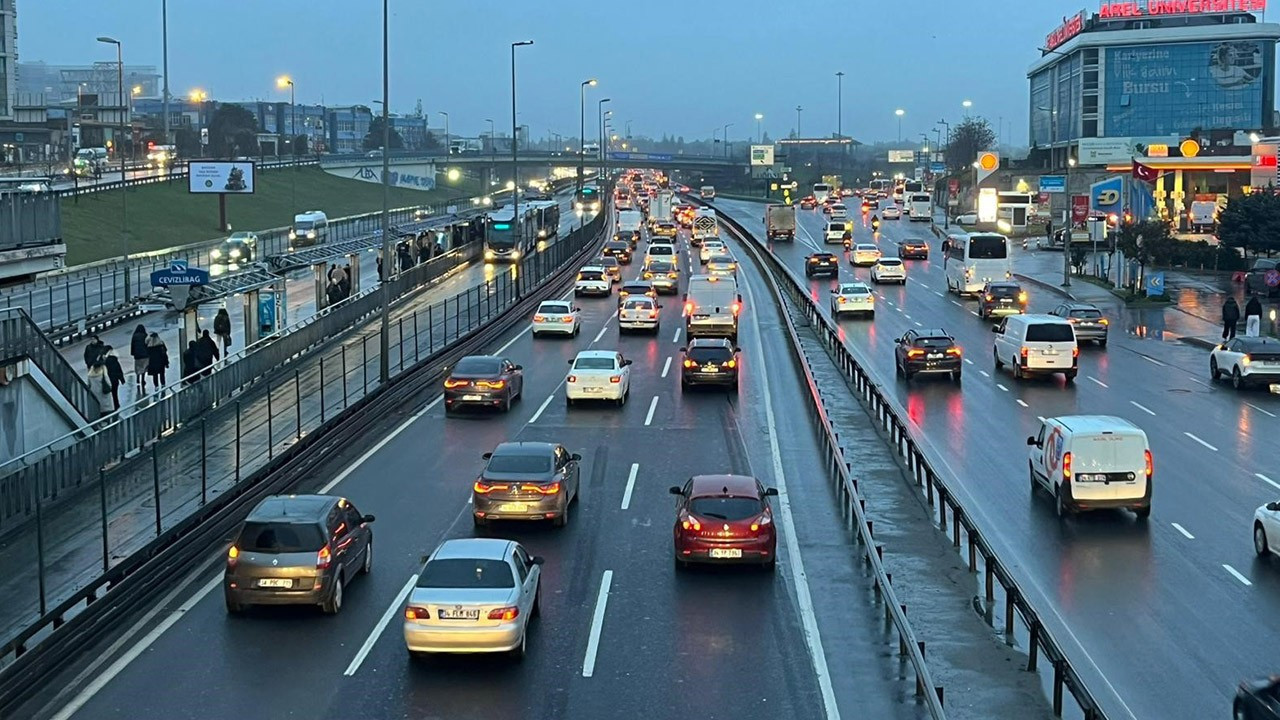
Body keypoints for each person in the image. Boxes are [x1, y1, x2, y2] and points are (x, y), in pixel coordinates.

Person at [102, 345, 125, 411]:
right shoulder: (114, 360)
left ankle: (113, 405)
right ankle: (116, 404)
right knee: (115, 393)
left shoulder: (106, 361)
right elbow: (118, 369)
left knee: (110, 394)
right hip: (115, 380)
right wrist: (122, 379)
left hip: (109, 379)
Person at [130, 324, 149, 393]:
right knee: (144, 367)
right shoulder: (145, 335)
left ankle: (137, 378)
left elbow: (132, 345)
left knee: (138, 367)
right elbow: (147, 344)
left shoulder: (134, 336)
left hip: (137, 355)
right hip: (145, 355)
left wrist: (132, 353)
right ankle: (142, 379)